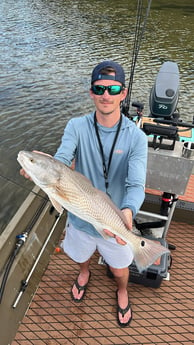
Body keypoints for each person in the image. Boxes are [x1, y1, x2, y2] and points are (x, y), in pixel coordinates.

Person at [21, 60, 148, 327]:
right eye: (99, 89)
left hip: (115, 220)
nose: (105, 95)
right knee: (80, 256)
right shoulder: (76, 126)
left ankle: (122, 290)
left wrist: (128, 211)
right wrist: (41, 165)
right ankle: (84, 273)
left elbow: (136, 185)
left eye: (113, 90)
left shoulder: (136, 138)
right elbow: (63, 158)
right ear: (91, 92)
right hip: (80, 218)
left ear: (123, 94)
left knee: (119, 269)